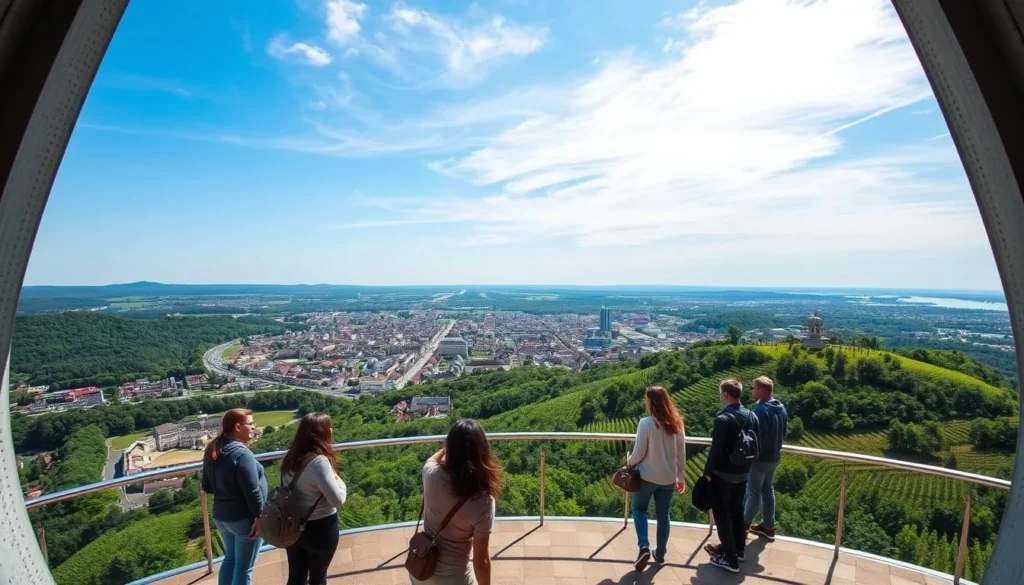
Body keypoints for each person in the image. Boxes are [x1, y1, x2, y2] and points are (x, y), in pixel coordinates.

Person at [413, 419, 501, 585]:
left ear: (450, 447)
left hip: (421, 570)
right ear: (482, 451)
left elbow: (434, 458)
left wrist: (454, 444)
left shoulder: (430, 474)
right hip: (455, 578)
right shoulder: (483, 502)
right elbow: (481, 558)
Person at [201, 408, 268, 585]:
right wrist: (260, 518)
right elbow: (252, 491)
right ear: (238, 427)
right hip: (244, 519)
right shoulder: (242, 454)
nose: (254, 427)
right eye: (251, 424)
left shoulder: (214, 448)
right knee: (244, 568)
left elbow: (206, 486)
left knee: (230, 560)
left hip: (222, 517)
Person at [281, 412, 348, 585]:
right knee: (318, 577)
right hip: (321, 529)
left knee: (296, 577)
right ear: (324, 433)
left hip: (294, 526)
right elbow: (337, 500)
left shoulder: (290, 457)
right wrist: (340, 481)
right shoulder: (319, 462)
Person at [626, 385, 688, 572]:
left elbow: (639, 453)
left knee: (638, 509)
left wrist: (628, 461)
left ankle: (643, 546)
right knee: (663, 516)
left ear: (651, 403)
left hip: (647, 477)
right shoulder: (677, 423)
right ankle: (660, 554)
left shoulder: (646, 424)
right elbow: (681, 454)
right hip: (668, 478)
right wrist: (680, 476)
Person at [702, 379, 759, 573]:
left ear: (726, 394)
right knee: (736, 511)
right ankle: (739, 550)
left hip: (723, 475)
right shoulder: (751, 415)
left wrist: (707, 473)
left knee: (721, 514)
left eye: (721, 393)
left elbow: (716, 450)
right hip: (743, 473)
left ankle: (730, 559)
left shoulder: (722, 418)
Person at [744, 376, 787, 541]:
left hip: (759, 459)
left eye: (753, 388)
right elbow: (783, 433)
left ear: (761, 390)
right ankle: (768, 526)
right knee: (767, 491)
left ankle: (743, 526)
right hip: (774, 457)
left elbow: (754, 438)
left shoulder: (760, 411)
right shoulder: (781, 408)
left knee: (753, 493)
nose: (752, 391)